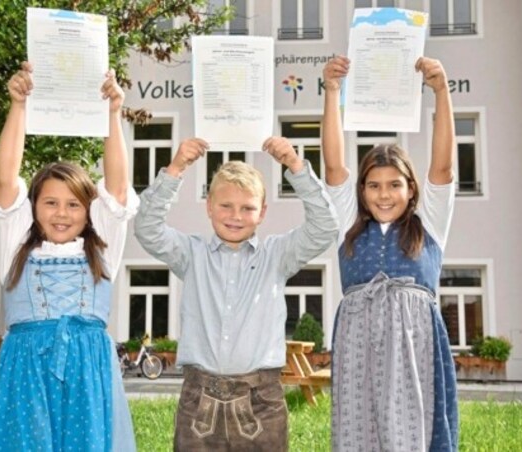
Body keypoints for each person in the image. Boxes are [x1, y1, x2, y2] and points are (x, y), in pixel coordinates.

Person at [134, 137, 339, 451]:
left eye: (247, 208)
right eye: (226, 206)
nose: (236, 215)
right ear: (209, 207)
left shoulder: (277, 254)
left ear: (262, 212)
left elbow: (325, 227)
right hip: (199, 401)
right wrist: (175, 168)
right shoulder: (190, 253)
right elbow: (146, 227)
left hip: (261, 403)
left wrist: (296, 166)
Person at [0, 62, 138, 452]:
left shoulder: (101, 248)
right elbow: (3, 180)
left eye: (73, 205)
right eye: (50, 202)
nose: (61, 213)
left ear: (89, 211)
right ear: (32, 207)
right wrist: (19, 106)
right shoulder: (15, 244)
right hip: (26, 369)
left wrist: (113, 113)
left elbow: (117, 188)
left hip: (89, 370)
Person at [322, 55, 459, 451]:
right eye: (374, 185)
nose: (384, 194)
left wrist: (441, 91)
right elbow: (333, 166)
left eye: (394, 185)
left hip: (413, 340)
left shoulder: (429, 222)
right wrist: (332, 91)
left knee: (411, 427)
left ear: (411, 189)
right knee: (358, 427)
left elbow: (444, 166)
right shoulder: (348, 222)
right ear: (362, 191)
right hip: (358, 335)